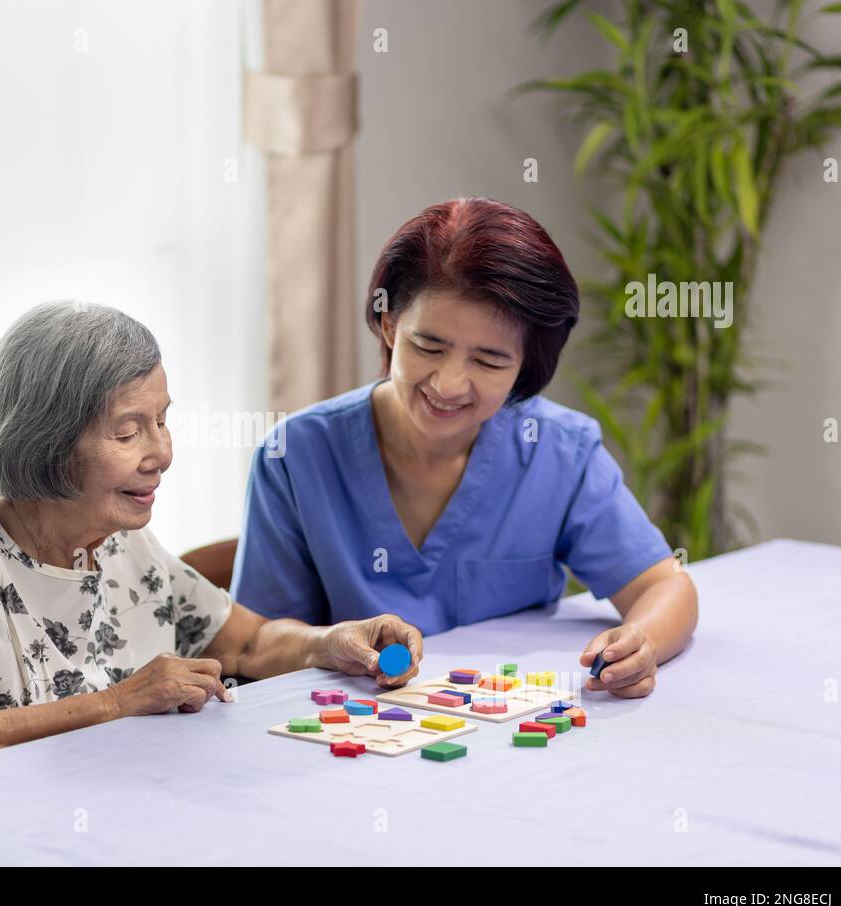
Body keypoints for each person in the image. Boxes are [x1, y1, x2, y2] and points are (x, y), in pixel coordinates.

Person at [0, 301, 422, 784]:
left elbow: (248, 643)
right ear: (46, 441)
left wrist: (332, 642)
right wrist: (115, 704)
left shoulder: (120, 545)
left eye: (161, 421)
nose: (162, 454)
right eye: (127, 432)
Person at [231, 198, 698, 699]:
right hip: (360, 737)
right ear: (388, 326)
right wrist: (323, 644)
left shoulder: (558, 452)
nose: (450, 384)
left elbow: (663, 584)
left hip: (515, 728)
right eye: (428, 346)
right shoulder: (297, 455)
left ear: (525, 365)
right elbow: (252, 643)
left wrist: (640, 642)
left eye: (490, 360)